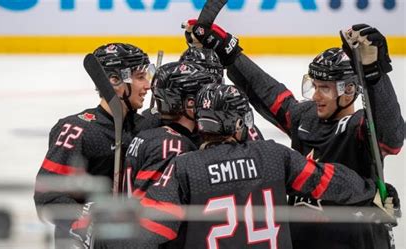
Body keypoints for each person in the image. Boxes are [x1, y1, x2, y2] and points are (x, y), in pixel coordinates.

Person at [184, 21, 403, 249]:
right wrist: (228, 51)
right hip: (303, 240)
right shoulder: (307, 117)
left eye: (324, 88)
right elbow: (267, 92)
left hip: (356, 241)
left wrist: (375, 75)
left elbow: (392, 136)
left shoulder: (359, 127)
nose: (316, 96)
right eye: (314, 86)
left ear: (348, 91)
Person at [135, 83, 397, 249]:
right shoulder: (273, 155)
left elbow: (148, 232)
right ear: (239, 123)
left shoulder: (185, 167)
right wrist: (372, 190)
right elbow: (326, 180)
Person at [33, 43, 157, 249]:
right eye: (139, 77)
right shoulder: (77, 129)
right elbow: (47, 196)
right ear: (114, 81)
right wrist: (87, 219)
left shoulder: (143, 127)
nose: (147, 86)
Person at [124, 61, 218, 199]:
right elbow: (150, 207)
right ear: (190, 103)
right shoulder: (172, 147)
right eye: (204, 98)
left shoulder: (148, 133)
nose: (209, 104)